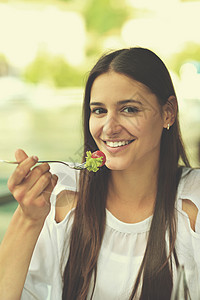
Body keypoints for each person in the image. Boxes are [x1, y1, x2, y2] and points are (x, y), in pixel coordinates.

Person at [0, 47, 200, 300]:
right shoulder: (60, 196)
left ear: (168, 112)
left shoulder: (193, 203)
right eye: (99, 110)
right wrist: (29, 219)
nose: (109, 128)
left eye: (129, 109)